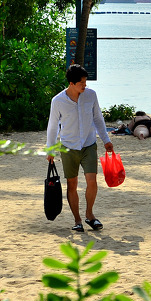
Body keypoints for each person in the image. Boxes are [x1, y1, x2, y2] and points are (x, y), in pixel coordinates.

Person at [46, 64, 113, 231]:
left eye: (85, 82)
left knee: (92, 181)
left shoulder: (91, 95)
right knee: (72, 184)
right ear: (71, 83)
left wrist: (106, 139)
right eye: (81, 83)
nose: (85, 85)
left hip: (89, 144)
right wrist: (50, 149)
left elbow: (98, 118)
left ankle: (90, 215)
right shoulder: (58, 101)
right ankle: (77, 220)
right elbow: (53, 126)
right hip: (68, 147)